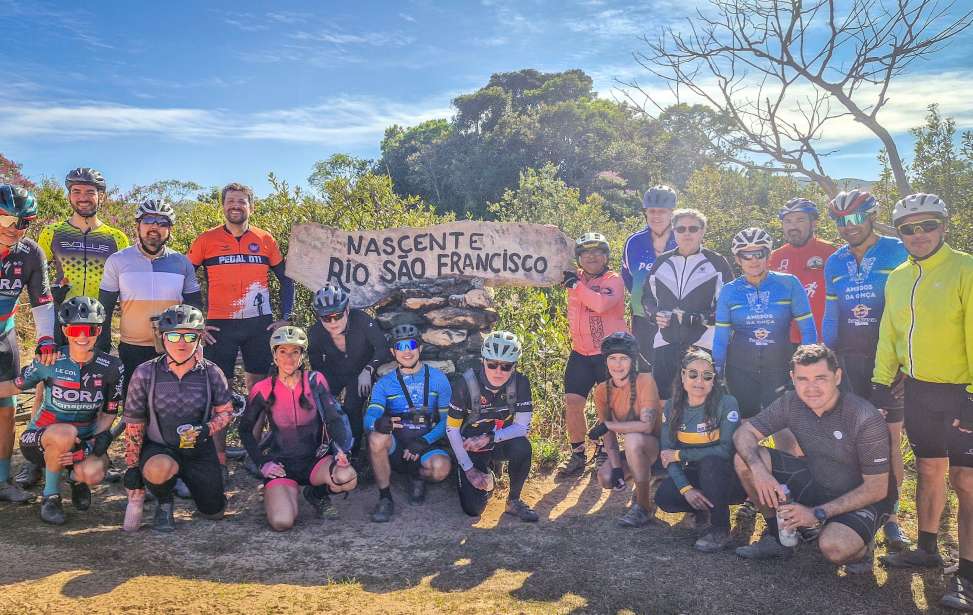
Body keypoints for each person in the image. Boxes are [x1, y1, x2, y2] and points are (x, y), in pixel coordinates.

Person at [871, 193, 973, 611]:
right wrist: (880, 380)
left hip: (962, 392)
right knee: (929, 470)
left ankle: (968, 574)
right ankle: (927, 548)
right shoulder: (897, 277)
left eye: (927, 225)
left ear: (944, 225)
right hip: (917, 390)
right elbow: (890, 332)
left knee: (966, 483)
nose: (918, 234)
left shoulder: (966, 268)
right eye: (908, 229)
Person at [733, 344, 893, 574]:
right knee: (745, 460)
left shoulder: (863, 417)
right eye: (803, 379)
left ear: (837, 376)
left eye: (820, 378)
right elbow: (744, 433)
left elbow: (877, 489)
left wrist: (817, 513)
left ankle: (861, 543)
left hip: (862, 496)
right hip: (818, 479)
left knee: (834, 547)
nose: (811, 388)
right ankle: (779, 537)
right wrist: (759, 471)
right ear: (792, 378)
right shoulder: (791, 403)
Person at [18, 168, 129, 489]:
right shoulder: (51, 233)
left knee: (95, 388)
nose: (83, 197)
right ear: (69, 195)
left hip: (98, 323)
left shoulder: (116, 238)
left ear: (101, 196)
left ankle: (88, 452)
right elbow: (38, 278)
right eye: (77, 192)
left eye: (90, 192)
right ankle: (36, 458)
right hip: (58, 321)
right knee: (45, 384)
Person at [821, 189, 911, 551]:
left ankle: (891, 516)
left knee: (889, 439)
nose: (848, 227)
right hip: (848, 360)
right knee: (853, 440)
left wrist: (905, 359)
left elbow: (909, 308)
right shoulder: (834, 261)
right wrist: (826, 357)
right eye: (841, 221)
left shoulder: (897, 250)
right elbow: (831, 314)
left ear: (872, 215)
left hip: (889, 360)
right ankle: (861, 510)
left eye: (857, 218)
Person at [0, 297, 123, 524]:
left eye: (90, 329)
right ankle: (51, 497)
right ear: (66, 330)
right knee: (64, 432)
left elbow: (109, 412)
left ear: (100, 331)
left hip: (82, 440)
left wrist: (89, 446)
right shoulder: (50, 360)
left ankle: (76, 480)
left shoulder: (113, 367)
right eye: (76, 329)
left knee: (94, 471)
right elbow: (13, 386)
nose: (83, 336)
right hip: (39, 438)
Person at [121, 304, 234, 532]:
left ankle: (198, 489)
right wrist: (131, 466)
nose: (181, 343)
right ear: (162, 338)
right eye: (173, 336)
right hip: (160, 447)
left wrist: (207, 429)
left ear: (199, 338)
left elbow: (226, 412)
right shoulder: (145, 372)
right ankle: (164, 502)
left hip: (199, 449)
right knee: (158, 468)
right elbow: (134, 423)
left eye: (189, 336)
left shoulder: (212, 372)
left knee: (215, 512)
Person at [239, 326, 357, 530]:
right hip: (282, 466)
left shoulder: (315, 380)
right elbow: (245, 430)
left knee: (346, 478)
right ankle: (281, 493)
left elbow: (334, 418)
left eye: (295, 351)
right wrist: (262, 463)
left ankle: (316, 494)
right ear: (274, 355)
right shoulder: (263, 389)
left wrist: (341, 451)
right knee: (282, 522)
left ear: (302, 355)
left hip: (316, 461)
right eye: (282, 351)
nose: (289, 358)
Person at [98, 199, 202, 394]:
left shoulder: (182, 262)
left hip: (174, 346)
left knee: (169, 404)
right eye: (148, 221)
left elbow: (194, 306)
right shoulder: (118, 260)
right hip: (132, 347)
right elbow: (106, 306)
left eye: (162, 223)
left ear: (170, 229)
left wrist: (196, 343)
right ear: (137, 225)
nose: (155, 227)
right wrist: (102, 344)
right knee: (133, 405)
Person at [713, 227, 817, 419]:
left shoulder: (789, 283)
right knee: (744, 423)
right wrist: (717, 372)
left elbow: (808, 331)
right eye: (746, 255)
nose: (753, 260)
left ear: (768, 255)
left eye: (759, 253)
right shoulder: (729, 291)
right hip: (740, 369)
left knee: (780, 424)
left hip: (779, 367)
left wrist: (806, 366)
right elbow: (720, 338)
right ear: (738, 259)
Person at [655, 348, 746, 552]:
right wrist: (687, 490)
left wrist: (681, 454)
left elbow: (725, 450)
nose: (699, 381)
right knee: (665, 496)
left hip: (730, 478)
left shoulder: (727, 403)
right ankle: (702, 509)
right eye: (693, 374)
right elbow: (667, 454)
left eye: (707, 376)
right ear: (683, 375)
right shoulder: (672, 407)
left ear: (714, 379)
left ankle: (720, 528)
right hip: (697, 473)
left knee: (711, 463)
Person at [0, 184, 56, 504]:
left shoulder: (31, 252)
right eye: (7, 220)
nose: (14, 230)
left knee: (5, 412)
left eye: (23, 222)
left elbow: (43, 302)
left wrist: (45, 339)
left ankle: (2, 479)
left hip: (4, 336)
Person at [363, 324, 452, 522]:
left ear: (420, 348)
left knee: (441, 469)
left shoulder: (438, 379)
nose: (407, 351)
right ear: (393, 352)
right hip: (396, 446)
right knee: (376, 439)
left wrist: (424, 441)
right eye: (400, 347)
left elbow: (447, 421)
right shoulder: (384, 384)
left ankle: (416, 477)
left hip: (425, 445)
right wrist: (378, 424)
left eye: (411, 345)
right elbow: (369, 418)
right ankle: (385, 498)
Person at [557, 232, 628, 478]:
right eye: (586, 252)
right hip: (580, 352)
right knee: (573, 403)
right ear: (578, 258)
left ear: (606, 256)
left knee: (604, 407)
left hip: (607, 355)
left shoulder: (613, 279)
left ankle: (607, 452)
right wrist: (547, 235)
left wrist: (576, 286)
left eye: (598, 252)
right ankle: (577, 453)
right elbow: (547, 260)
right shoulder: (573, 277)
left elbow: (600, 304)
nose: (592, 256)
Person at [447, 331, 538, 522]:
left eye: (506, 366)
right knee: (473, 509)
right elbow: (452, 429)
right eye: (492, 364)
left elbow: (522, 428)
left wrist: (489, 437)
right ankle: (486, 473)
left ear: (514, 366)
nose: (498, 371)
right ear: (483, 361)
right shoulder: (465, 384)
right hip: (470, 445)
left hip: (497, 440)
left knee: (522, 447)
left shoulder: (521, 383)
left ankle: (513, 500)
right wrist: (469, 469)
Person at [643, 208, 731, 398]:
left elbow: (728, 304)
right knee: (663, 400)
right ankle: (667, 429)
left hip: (703, 341)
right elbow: (647, 298)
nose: (687, 233)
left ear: (702, 231)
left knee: (699, 399)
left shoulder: (717, 262)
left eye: (693, 228)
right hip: (665, 340)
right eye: (681, 229)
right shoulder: (662, 262)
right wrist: (654, 314)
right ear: (673, 231)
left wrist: (702, 318)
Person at [589, 332, 663, 528]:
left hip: (660, 449)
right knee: (605, 478)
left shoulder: (645, 381)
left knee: (632, 439)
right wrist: (615, 468)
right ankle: (645, 480)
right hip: (636, 451)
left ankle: (644, 507)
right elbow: (608, 435)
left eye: (623, 358)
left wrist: (608, 425)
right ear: (605, 361)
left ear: (633, 361)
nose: (617, 364)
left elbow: (646, 426)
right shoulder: (602, 390)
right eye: (612, 358)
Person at [308, 282, 390, 457]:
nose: (333, 322)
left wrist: (369, 369)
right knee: (319, 404)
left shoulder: (361, 320)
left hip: (361, 371)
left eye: (337, 316)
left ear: (346, 310)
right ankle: (322, 446)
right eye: (326, 318)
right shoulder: (315, 333)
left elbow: (382, 348)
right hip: (335, 372)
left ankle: (353, 451)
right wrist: (324, 390)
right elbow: (316, 364)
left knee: (352, 406)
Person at [623, 185, 677, 370]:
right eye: (651, 211)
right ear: (645, 212)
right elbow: (629, 278)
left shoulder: (683, 239)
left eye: (662, 211)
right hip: (642, 319)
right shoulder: (634, 242)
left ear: (672, 213)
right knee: (645, 373)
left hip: (677, 320)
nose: (656, 215)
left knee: (675, 374)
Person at [769, 198, 835, 346]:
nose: (793, 226)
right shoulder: (774, 257)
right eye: (788, 221)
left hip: (822, 342)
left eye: (800, 220)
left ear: (813, 223)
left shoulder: (831, 252)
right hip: (784, 342)